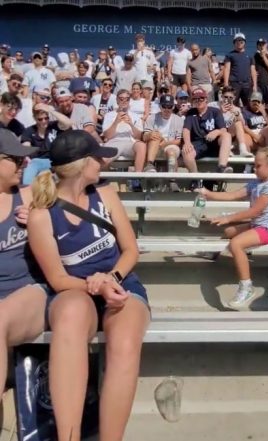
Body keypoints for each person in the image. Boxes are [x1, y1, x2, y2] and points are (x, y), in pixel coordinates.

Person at [27, 130, 150, 441]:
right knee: (69, 319)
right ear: (81, 164)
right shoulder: (42, 215)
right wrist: (93, 285)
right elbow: (57, 278)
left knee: (124, 340)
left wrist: (111, 279)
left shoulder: (105, 194)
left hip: (120, 281)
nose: (103, 161)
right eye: (97, 157)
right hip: (74, 288)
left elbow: (131, 250)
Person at [198, 146, 268, 308]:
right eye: (254, 165)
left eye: (258, 166)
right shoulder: (256, 182)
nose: (254, 169)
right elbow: (232, 195)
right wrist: (208, 193)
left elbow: (255, 211)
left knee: (236, 243)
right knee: (228, 231)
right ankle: (214, 254)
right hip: (258, 224)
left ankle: (246, 286)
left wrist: (228, 217)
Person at [0, 129, 49, 404]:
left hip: (29, 291)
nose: (24, 164)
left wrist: (40, 221)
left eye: (24, 160)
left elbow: (69, 240)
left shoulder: (30, 196)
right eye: (16, 160)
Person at [182, 87, 233, 178]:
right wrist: (187, 142)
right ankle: (195, 179)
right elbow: (186, 129)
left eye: (201, 98)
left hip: (213, 143)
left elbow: (223, 129)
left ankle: (221, 167)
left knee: (226, 135)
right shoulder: (191, 113)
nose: (198, 100)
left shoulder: (215, 111)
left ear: (206, 99)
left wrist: (216, 132)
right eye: (195, 99)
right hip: (198, 144)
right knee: (186, 152)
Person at [223, 33, 255, 106]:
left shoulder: (250, 55)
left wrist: (255, 85)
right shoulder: (230, 55)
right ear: (234, 42)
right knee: (232, 104)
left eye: (241, 41)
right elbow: (227, 69)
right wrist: (226, 84)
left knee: (248, 105)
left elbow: (253, 71)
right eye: (237, 41)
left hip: (247, 84)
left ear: (244, 42)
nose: (239, 43)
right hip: (234, 84)